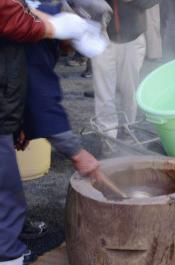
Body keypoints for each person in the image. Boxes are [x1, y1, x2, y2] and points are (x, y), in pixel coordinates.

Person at [0, 2, 99, 264]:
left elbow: (22, 81)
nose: (72, 53)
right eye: (73, 46)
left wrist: (18, 123)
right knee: (6, 187)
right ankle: (8, 253)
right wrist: (77, 153)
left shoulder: (41, 21)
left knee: (7, 181)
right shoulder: (39, 38)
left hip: (4, 102)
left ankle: (13, 229)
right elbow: (43, 99)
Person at [92, 0, 158, 140]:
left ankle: (129, 131)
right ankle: (108, 139)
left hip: (132, 37)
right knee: (104, 94)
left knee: (130, 91)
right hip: (99, 36)